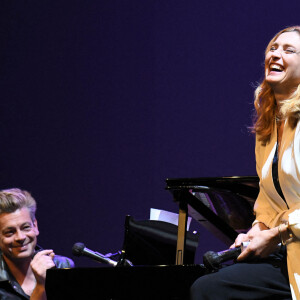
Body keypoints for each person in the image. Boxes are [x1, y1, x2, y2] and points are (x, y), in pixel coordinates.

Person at [190, 25, 300, 300]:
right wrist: (257, 229)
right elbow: (268, 200)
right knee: (207, 285)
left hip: (291, 245)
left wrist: (277, 234)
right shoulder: (269, 125)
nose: (275, 55)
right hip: (286, 249)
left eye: (288, 50)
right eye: (272, 48)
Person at [0, 188, 74, 300]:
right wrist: (41, 286)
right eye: (10, 232)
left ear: (35, 226)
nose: (20, 237)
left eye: (26, 227)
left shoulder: (61, 267)